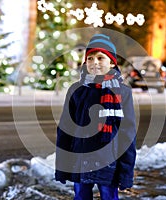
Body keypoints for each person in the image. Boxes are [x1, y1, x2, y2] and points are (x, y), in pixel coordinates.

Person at [55, 33, 137, 200]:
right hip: (81, 159)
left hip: (109, 162)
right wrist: (62, 165)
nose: (95, 63)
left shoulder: (122, 92)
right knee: (81, 196)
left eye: (101, 58)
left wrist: (126, 172)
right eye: (90, 58)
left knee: (109, 196)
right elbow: (65, 129)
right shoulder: (76, 90)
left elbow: (127, 134)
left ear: (112, 62)